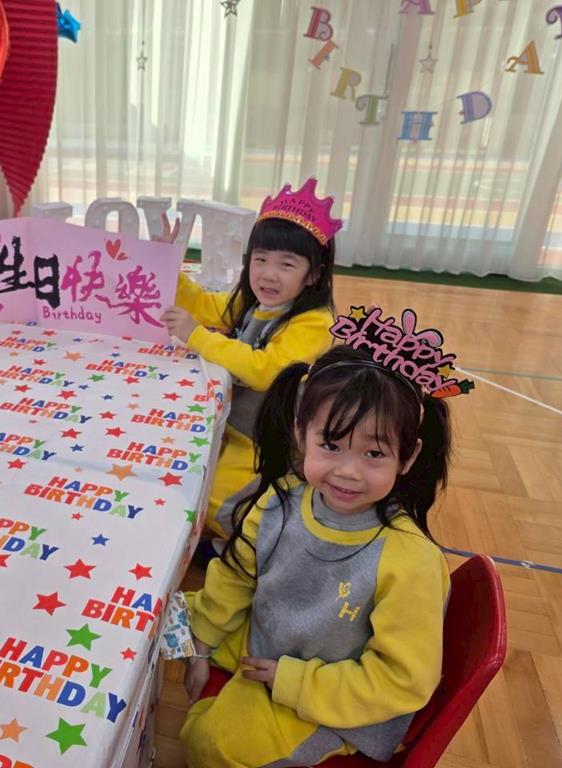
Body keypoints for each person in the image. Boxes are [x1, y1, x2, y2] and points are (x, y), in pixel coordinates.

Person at [182, 337, 462, 767]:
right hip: (271, 647)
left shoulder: (411, 560)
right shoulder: (282, 498)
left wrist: (294, 682)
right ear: (301, 433)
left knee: (210, 744)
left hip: (334, 703)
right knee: (159, 625)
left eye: (374, 453)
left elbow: (402, 680)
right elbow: (237, 575)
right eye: (331, 445)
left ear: (408, 457)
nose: (348, 471)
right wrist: (200, 646)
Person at [161, 179, 340, 539]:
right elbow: (204, 305)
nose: (268, 274)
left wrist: (197, 335)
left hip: (266, 441)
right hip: (228, 422)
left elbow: (265, 370)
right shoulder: (255, 302)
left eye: (286, 264)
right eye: (260, 260)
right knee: (174, 471)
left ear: (314, 274)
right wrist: (168, 264)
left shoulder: (315, 322)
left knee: (213, 499)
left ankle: (246, 546)